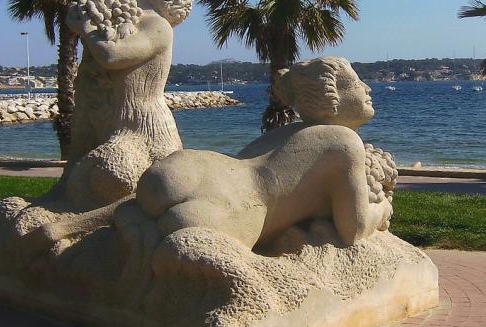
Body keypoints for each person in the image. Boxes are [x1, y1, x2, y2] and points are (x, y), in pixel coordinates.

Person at [130, 56, 392, 248]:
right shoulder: (345, 142)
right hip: (236, 211)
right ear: (331, 99)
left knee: (139, 214)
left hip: (193, 167)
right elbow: (353, 231)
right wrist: (382, 208)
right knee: (178, 226)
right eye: (357, 84)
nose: (368, 89)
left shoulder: (282, 133)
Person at [57, 0, 194, 210]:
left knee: (113, 174)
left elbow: (113, 56)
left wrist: (85, 26)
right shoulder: (121, 20)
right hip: (102, 116)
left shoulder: (157, 25)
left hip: (141, 126)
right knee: (73, 178)